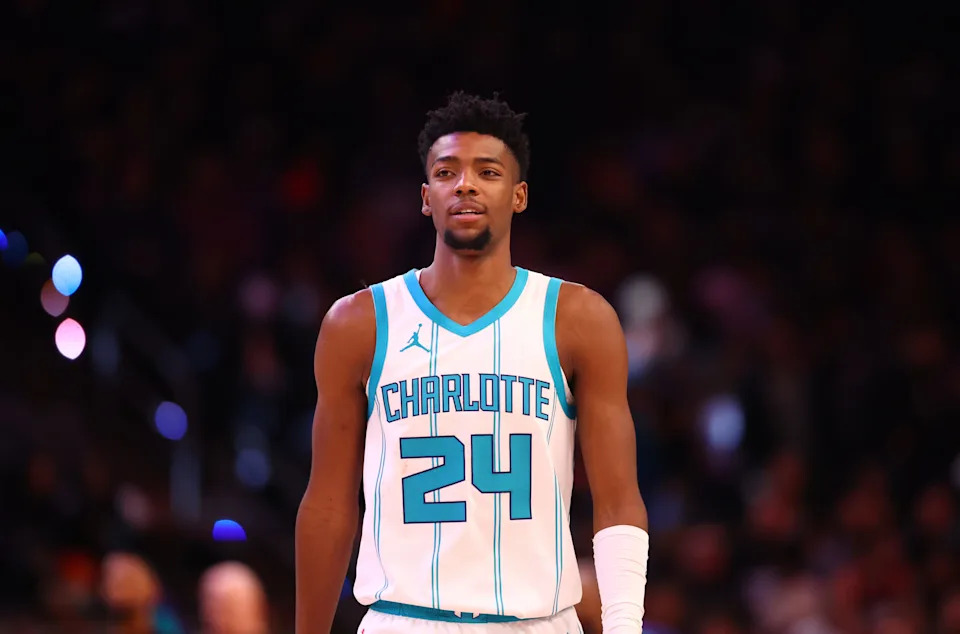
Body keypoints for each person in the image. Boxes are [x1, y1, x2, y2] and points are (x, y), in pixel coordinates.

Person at [296, 91, 649, 633]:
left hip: (537, 620)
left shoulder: (578, 318)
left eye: (487, 171)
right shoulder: (358, 323)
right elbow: (328, 504)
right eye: (446, 171)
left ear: (519, 195)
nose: (465, 184)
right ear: (425, 196)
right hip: (403, 619)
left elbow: (619, 500)